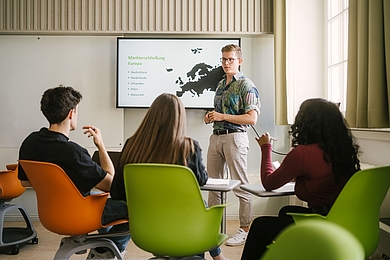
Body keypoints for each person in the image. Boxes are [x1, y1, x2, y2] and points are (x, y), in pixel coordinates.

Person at [17, 85, 130, 260]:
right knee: (136, 208)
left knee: (95, 193)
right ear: (71, 113)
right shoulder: (73, 152)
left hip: (50, 214)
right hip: (80, 214)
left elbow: (25, 182)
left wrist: (64, 186)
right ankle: (103, 252)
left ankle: (97, 244)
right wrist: (101, 144)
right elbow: (109, 183)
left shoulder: (30, 142)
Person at [111, 93, 227, 260]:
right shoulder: (189, 147)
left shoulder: (132, 145)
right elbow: (201, 179)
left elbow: (117, 193)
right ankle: (211, 255)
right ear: (180, 118)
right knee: (201, 205)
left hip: (145, 228)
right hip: (183, 224)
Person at [241, 98, 361, 260]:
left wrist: (265, 147)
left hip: (322, 224)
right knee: (286, 212)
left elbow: (269, 182)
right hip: (343, 220)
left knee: (259, 226)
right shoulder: (343, 150)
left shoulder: (303, 154)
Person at [204, 44, 261, 246]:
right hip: (216, 136)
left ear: (239, 61)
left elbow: (252, 119)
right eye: (223, 59)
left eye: (230, 59)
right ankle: (212, 229)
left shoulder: (246, 85)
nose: (226, 63)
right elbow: (220, 112)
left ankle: (244, 229)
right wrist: (212, 116)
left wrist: (222, 116)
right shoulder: (221, 84)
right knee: (213, 185)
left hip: (236, 138)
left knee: (241, 185)